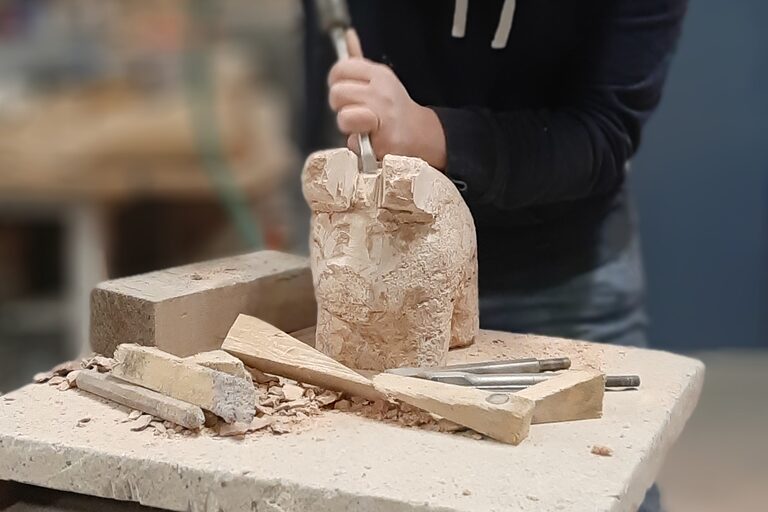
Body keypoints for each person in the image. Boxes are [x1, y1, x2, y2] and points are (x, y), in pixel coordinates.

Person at [301, 2, 688, 510]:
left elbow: (603, 132)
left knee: (595, 484)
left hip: (560, 273)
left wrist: (431, 134)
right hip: (386, 263)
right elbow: (328, 76)